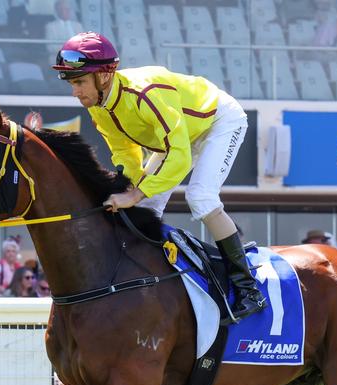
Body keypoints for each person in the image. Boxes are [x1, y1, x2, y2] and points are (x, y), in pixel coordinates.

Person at [51, 31, 266, 318]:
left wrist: (136, 193)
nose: (75, 92)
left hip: (218, 121)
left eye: (79, 82)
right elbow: (126, 155)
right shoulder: (99, 107)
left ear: (104, 76)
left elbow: (179, 155)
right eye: (71, 84)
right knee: (143, 208)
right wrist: (124, 189)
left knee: (200, 197)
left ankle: (247, 287)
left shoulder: (144, 94)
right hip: (178, 137)